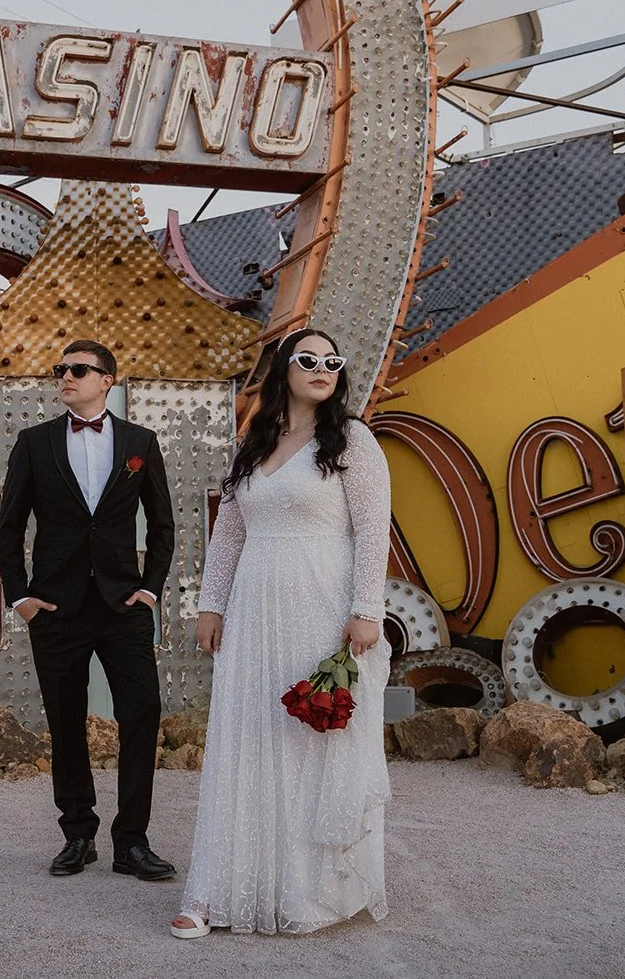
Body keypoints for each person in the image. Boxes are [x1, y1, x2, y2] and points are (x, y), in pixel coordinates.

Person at [171, 328, 391, 937]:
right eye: (308, 360)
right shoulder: (253, 444)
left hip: (323, 600)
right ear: (283, 370)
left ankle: (306, 890)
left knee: (309, 740)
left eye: (332, 361)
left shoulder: (351, 439)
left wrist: (367, 609)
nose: (323, 369)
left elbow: (374, 529)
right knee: (244, 739)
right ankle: (211, 890)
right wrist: (210, 604)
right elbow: (230, 534)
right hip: (253, 608)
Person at [0, 339, 178, 882]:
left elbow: (163, 524)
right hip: (56, 608)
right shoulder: (34, 443)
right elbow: (8, 526)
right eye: (61, 370)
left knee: (141, 714)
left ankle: (132, 842)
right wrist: (21, 597)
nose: (66, 377)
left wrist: (150, 590)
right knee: (65, 721)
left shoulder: (141, 443)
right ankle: (77, 834)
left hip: (123, 605)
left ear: (108, 381)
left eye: (78, 370)